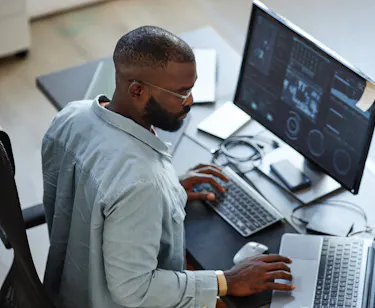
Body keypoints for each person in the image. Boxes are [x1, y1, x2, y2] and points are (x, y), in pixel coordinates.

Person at [41, 25, 294, 308]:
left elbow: (98, 192)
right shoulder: (142, 182)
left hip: (69, 284)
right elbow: (134, 290)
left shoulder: (71, 116)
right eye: (181, 93)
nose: (191, 102)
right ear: (137, 90)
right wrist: (227, 281)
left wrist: (170, 192)